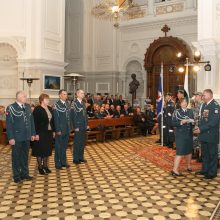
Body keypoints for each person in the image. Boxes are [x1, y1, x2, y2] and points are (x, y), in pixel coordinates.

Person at [6, 91, 37, 183]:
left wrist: (32, 134)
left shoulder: (27, 107)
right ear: (18, 97)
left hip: (27, 136)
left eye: (26, 96)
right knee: (16, 157)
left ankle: (24, 174)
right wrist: (11, 137)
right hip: (16, 137)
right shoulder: (11, 107)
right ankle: (16, 175)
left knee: (24, 156)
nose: (26, 98)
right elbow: (9, 124)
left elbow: (31, 122)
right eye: (24, 96)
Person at [194, 89, 220, 179]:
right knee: (205, 154)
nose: (202, 97)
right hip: (204, 134)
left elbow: (213, 122)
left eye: (204, 95)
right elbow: (203, 119)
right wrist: (198, 127)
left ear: (210, 95)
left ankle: (212, 173)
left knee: (212, 154)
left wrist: (201, 129)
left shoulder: (215, 106)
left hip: (211, 135)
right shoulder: (205, 104)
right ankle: (205, 170)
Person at [32, 94, 55, 175]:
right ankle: (40, 167)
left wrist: (53, 131)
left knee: (47, 150)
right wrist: (36, 134)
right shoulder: (37, 109)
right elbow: (34, 123)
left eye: (48, 99)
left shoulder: (49, 108)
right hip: (40, 132)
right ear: (42, 100)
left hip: (48, 132)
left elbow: (52, 121)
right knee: (40, 150)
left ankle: (45, 166)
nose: (48, 101)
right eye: (47, 99)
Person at [171, 98, 194, 176]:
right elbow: (173, 123)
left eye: (186, 102)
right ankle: (175, 170)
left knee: (189, 150)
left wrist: (193, 122)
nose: (185, 103)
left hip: (189, 133)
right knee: (180, 152)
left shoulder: (190, 111)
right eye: (183, 102)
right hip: (180, 134)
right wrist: (181, 122)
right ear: (180, 104)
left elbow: (193, 120)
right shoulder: (176, 111)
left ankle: (189, 166)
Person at [53, 89, 71, 169]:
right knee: (58, 147)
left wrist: (70, 127)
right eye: (64, 94)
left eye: (66, 94)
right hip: (60, 129)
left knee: (64, 147)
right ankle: (58, 163)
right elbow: (56, 119)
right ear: (60, 95)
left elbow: (69, 117)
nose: (65, 96)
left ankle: (63, 162)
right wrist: (58, 130)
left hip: (67, 129)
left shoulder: (67, 104)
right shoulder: (56, 105)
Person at [71, 89, 89, 164]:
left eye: (83, 93)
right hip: (78, 126)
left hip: (83, 125)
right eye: (81, 93)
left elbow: (85, 115)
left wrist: (87, 124)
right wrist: (75, 126)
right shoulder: (74, 103)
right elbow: (73, 116)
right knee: (77, 143)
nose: (83, 94)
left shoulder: (83, 103)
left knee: (82, 142)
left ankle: (81, 157)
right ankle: (76, 158)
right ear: (77, 94)